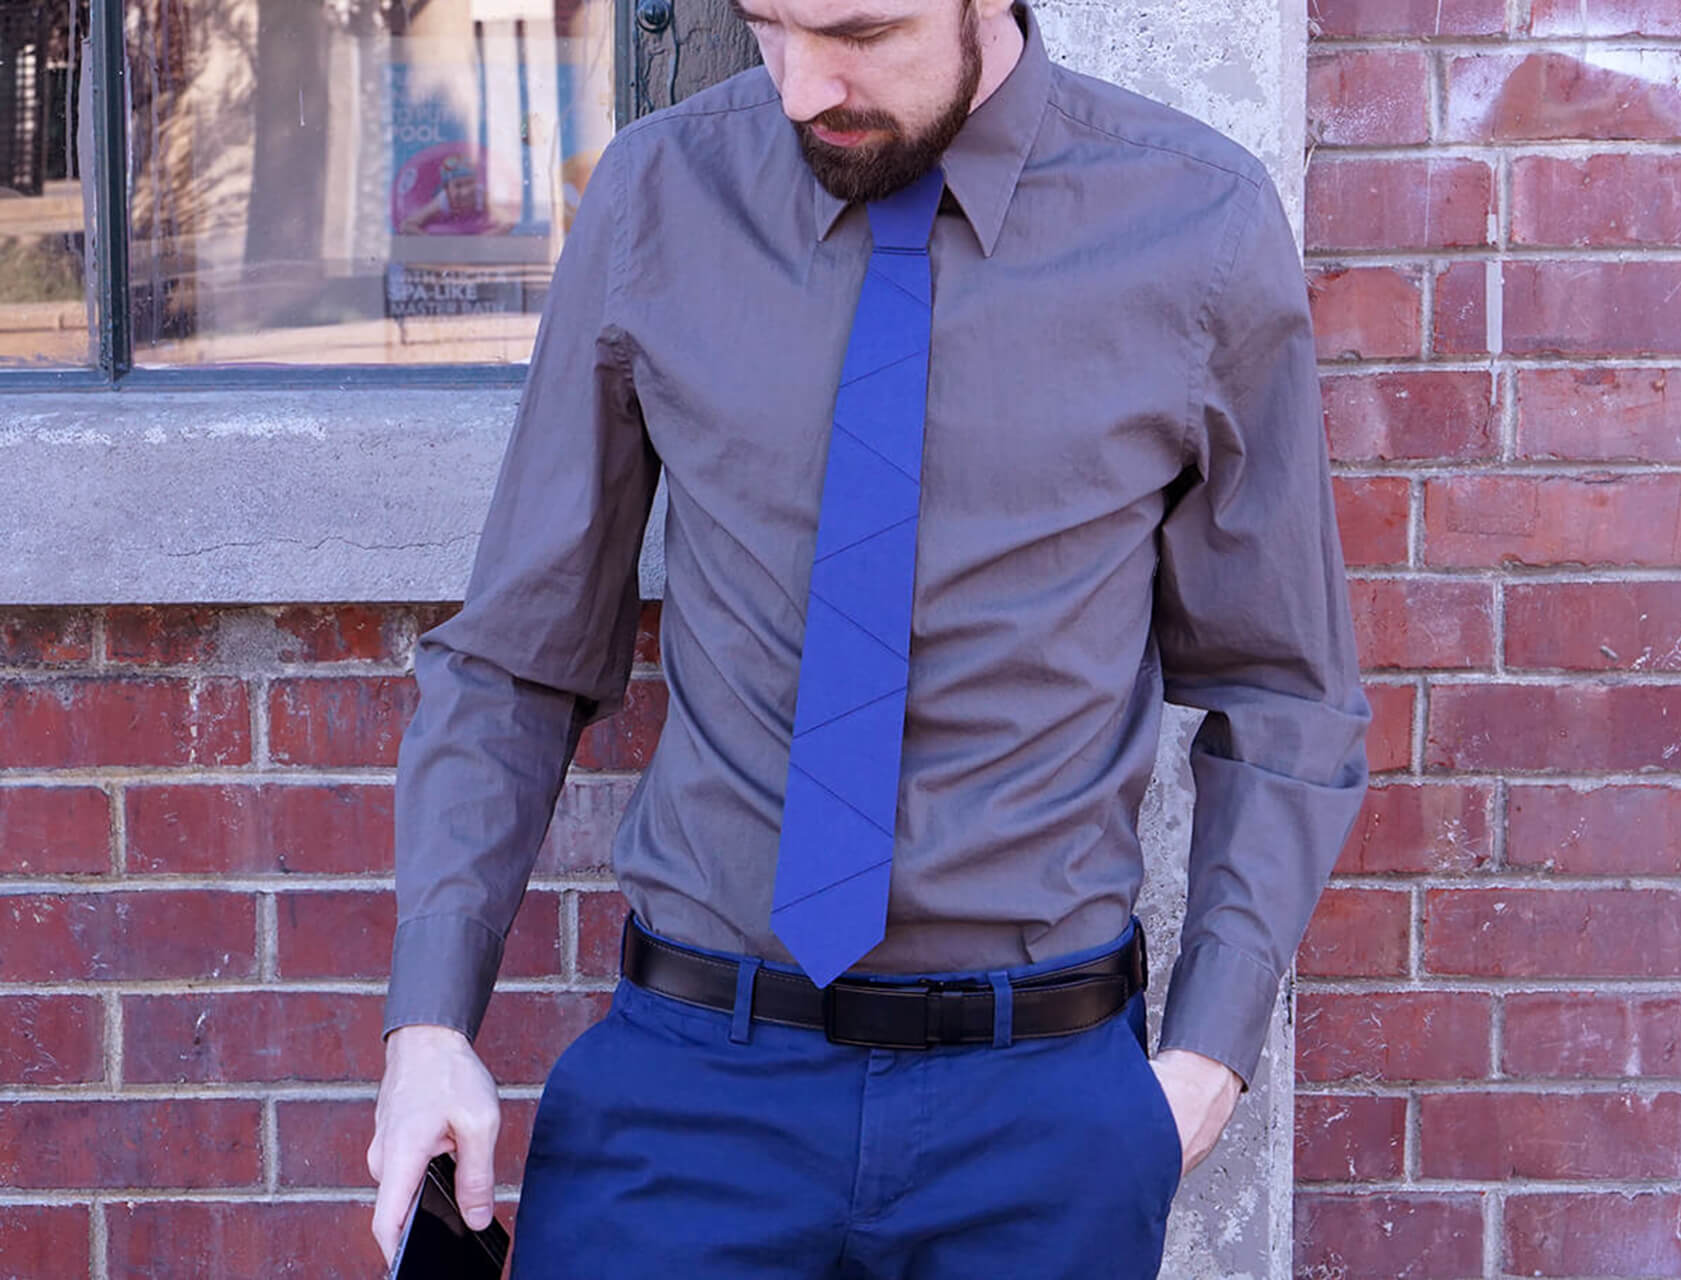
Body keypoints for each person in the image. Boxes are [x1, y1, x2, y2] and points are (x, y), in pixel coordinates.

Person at [367, 0, 1370, 1273]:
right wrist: (429, 1026)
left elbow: (1286, 690)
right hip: (692, 1088)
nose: (797, 87)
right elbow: (515, 657)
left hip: (1038, 1112)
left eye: (856, 31)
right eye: (767, 27)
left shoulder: (1197, 232)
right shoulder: (659, 199)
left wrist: (1204, 1060)